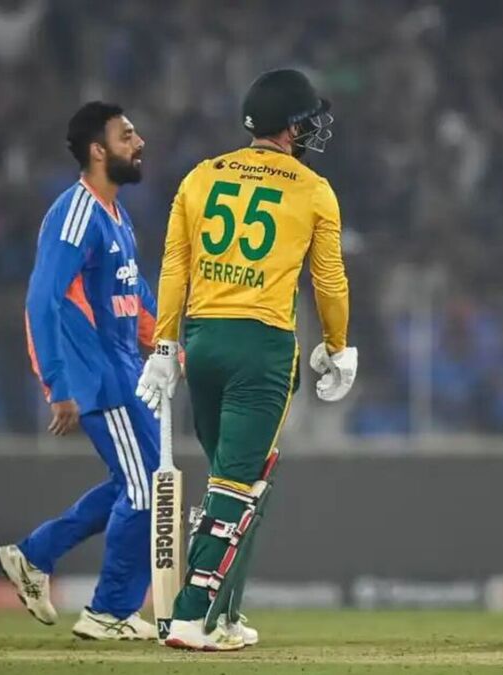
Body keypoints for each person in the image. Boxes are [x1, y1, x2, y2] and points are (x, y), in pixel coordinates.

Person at [135, 68, 358, 651]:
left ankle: (225, 616)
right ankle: (189, 617)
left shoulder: (201, 176)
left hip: (203, 343)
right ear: (290, 127)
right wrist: (338, 346)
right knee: (234, 486)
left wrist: (165, 344)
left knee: (244, 481)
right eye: (307, 122)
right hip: (262, 349)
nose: (312, 131)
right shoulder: (313, 189)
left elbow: (174, 265)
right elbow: (329, 281)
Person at [0, 102, 157, 640]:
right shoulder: (76, 213)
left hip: (128, 371)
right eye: (127, 135)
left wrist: (166, 347)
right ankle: (109, 611)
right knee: (147, 488)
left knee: (139, 484)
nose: (139, 142)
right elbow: (41, 299)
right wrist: (57, 384)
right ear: (98, 150)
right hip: (100, 376)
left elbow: (132, 292)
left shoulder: (116, 213)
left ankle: (34, 555)